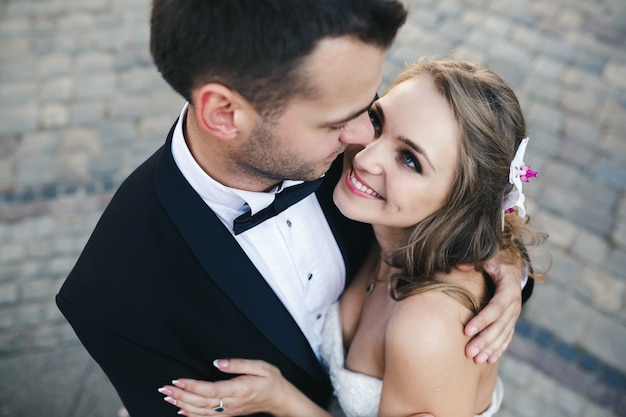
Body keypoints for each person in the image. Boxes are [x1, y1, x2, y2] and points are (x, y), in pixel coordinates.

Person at [56, 0, 528, 415]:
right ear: (224, 114)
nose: (364, 139)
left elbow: (464, 180)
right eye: (342, 120)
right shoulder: (112, 296)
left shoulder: (353, 139)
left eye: (373, 105)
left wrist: (504, 265)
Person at [157, 59, 544, 417]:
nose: (364, 157)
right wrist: (510, 261)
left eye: (409, 159)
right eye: (377, 121)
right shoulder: (390, 230)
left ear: (460, 201)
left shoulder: (428, 329)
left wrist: (281, 399)